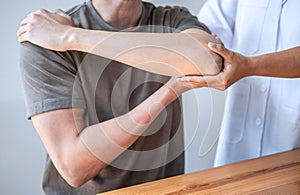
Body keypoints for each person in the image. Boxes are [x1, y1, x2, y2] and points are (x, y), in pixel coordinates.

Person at [17, 0, 222, 194]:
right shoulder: (43, 38)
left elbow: (209, 60)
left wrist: (72, 37)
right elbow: (74, 167)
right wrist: (170, 91)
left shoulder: (171, 20)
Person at [197, 0, 300, 166]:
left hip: (292, 142)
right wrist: (192, 30)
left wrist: (249, 66)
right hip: (239, 146)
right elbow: (213, 24)